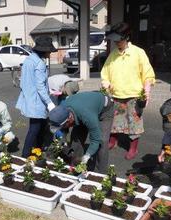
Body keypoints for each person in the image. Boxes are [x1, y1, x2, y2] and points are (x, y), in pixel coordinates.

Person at [101, 22, 155, 160]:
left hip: (134, 95)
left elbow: (148, 74)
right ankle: (113, 140)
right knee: (114, 120)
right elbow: (105, 73)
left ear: (126, 37)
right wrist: (106, 84)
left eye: (119, 39)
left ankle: (133, 148)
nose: (116, 42)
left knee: (134, 122)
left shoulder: (138, 52)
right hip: (116, 94)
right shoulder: (113, 55)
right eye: (115, 40)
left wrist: (146, 93)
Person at [48, 91, 114, 173]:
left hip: (105, 109)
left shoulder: (87, 115)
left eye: (63, 125)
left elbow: (96, 139)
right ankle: (75, 164)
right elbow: (61, 130)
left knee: (102, 142)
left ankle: (101, 173)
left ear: (69, 120)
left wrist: (87, 156)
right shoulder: (61, 110)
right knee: (76, 137)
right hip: (84, 107)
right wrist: (63, 142)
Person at [16, 36, 57, 158]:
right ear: (43, 50)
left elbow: (24, 82)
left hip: (29, 99)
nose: (50, 53)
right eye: (49, 51)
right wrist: (49, 103)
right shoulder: (39, 63)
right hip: (37, 101)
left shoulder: (29, 60)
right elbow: (40, 87)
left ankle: (36, 152)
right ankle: (25, 155)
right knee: (34, 130)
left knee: (39, 127)